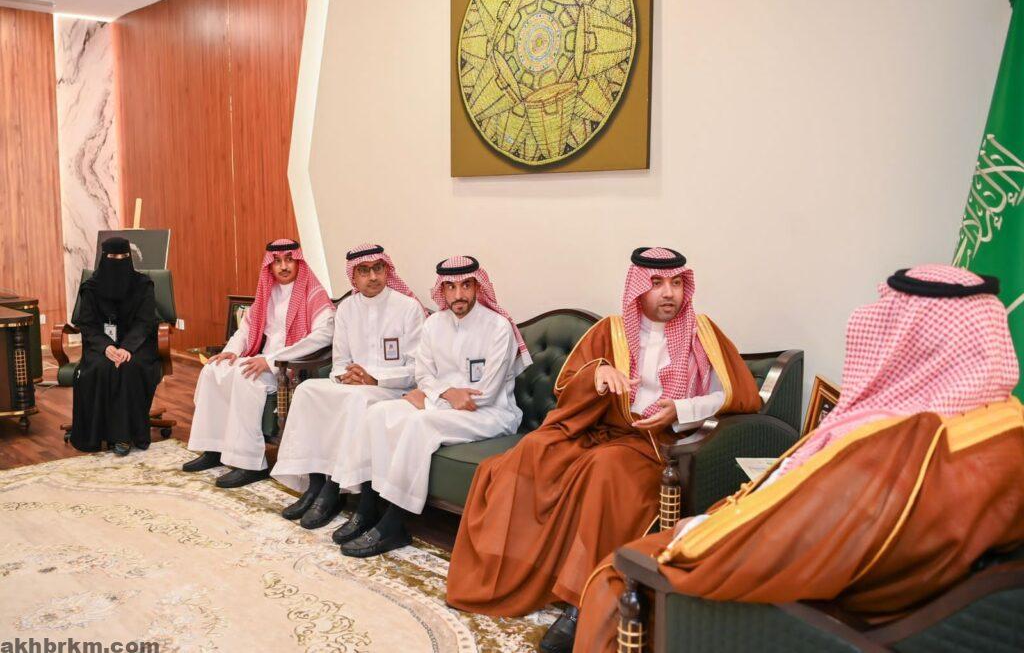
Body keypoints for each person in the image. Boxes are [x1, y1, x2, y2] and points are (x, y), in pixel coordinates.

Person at [574, 264, 1024, 652]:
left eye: (886, 320)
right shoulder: (1002, 424)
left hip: (791, 607)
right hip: (855, 592)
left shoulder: (900, 444)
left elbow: (793, 541)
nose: (867, 326)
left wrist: (694, 534)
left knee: (618, 571)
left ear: (912, 341)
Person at [446, 247, 761, 653]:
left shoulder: (702, 334)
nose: (669, 293)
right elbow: (567, 387)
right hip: (600, 427)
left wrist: (681, 410)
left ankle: (582, 603)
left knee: (604, 469)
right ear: (637, 288)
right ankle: (508, 570)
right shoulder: (611, 331)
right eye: (657, 283)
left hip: (656, 442)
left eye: (676, 283)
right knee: (533, 450)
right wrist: (599, 374)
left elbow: (736, 396)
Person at [332, 255, 531, 558]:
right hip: (444, 403)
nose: (458, 294)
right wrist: (441, 394)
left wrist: (428, 399)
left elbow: (485, 395)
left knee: (419, 423)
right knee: (377, 413)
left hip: (490, 414)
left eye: (466, 285)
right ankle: (368, 506)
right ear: (442, 290)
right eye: (450, 287)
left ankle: (395, 524)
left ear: (477, 286)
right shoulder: (434, 324)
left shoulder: (498, 328)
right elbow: (423, 375)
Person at [271, 244, 426, 530]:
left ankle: (334, 490)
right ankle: (315, 484)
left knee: (356, 401)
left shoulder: (408, 308)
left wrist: (374, 378)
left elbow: (418, 370)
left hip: (393, 388)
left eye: (377, 269)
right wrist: (347, 376)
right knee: (308, 391)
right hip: (354, 385)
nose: (373, 277)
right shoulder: (346, 310)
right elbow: (340, 361)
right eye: (364, 271)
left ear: (386, 270)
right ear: (353, 277)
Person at [183, 239, 334, 487]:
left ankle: (250, 464)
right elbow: (246, 328)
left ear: (298, 262)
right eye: (277, 261)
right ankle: (213, 449)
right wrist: (231, 351)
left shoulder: (313, 293)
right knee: (213, 369)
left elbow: (323, 336)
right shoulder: (268, 292)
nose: (283, 266)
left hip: (289, 367)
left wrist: (273, 361)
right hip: (262, 360)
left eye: (289, 260)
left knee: (246, 377)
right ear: (270, 266)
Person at [70, 236, 161, 456]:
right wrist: (106, 347)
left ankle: (124, 436)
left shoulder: (143, 285)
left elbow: (145, 322)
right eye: (113, 257)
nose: (118, 261)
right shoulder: (91, 288)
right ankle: (97, 433)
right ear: (104, 258)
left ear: (130, 258)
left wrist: (127, 348)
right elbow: (88, 324)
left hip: (137, 345)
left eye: (123, 257)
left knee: (130, 367)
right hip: (101, 345)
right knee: (102, 367)